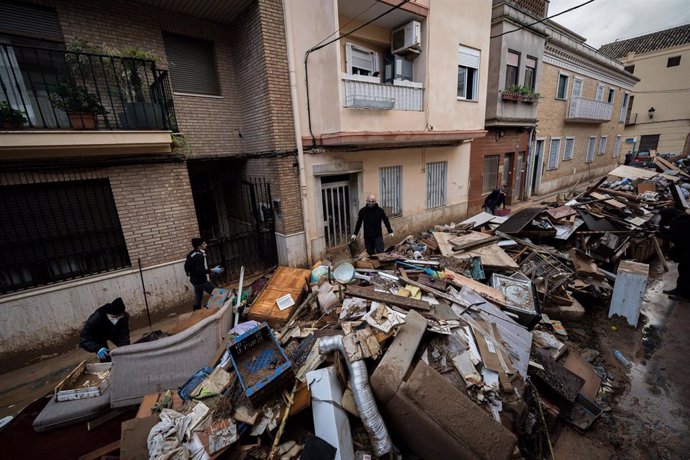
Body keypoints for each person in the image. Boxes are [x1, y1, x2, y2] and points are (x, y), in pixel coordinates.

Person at [79, 297, 130, 362]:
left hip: (114, 331)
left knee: (126, 351)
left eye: (119, 317)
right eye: (114, 317)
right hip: (99, 334)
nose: (116, 319)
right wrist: (96, 348)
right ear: (108, 314)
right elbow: (83, 339)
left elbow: (124, 336)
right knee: (105, 357)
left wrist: (125, 350)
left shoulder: (124, 317)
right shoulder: (95, 319)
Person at [656, 207, 690, 301]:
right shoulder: (678, 218)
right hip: (686, 248)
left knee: (687, 272)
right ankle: (678, 290)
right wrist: (660, 230)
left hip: (687, 250)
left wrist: (657, 233)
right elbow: (673, 233)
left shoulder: (679, 222)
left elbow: (672, 237)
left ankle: (685, 295)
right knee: (682, 269)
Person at [184, 238, 224, 310]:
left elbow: (186, 266)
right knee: (216, 293)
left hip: (194, 280)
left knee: (198, 296)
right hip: (201, 281)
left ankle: (196, 311)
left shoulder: (191, 254)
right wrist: (212, 270)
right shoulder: (199, 256)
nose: (206, 245)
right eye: (204, 243)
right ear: (199, 246)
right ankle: (215, 309)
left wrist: (190, 274)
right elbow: (200, 271)